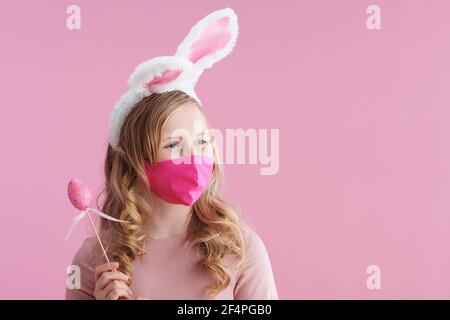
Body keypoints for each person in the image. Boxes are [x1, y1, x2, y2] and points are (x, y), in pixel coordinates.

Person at [65, 8, 278, 300]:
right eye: (174, 145)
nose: (194, 158)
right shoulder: (94, 261)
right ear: (135, 160)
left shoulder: (241, 249)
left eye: (202, 141)